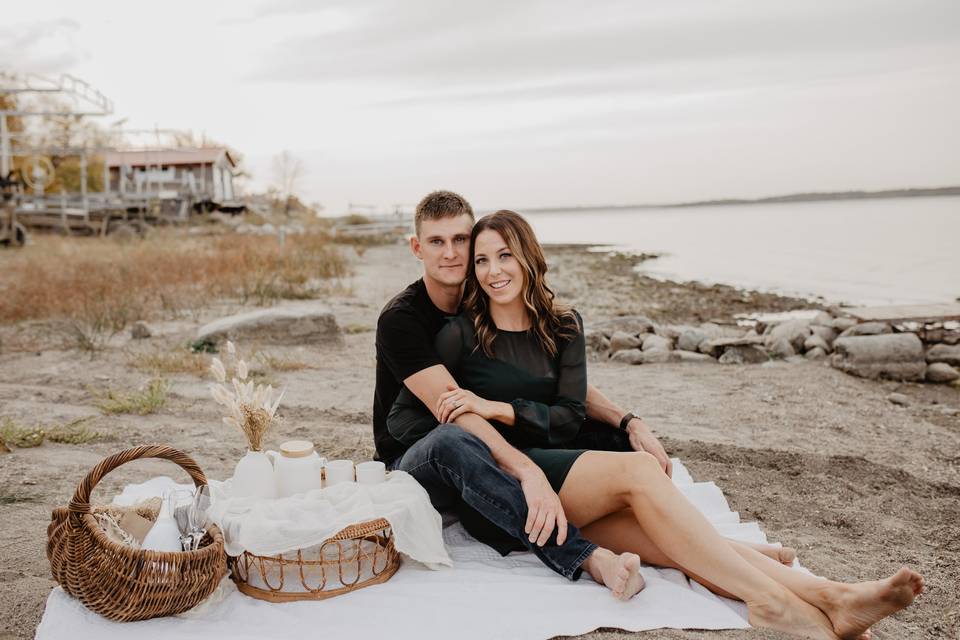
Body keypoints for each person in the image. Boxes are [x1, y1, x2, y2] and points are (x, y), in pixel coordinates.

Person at [387, 209, 924, 640]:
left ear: (529, 258)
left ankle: (833, 599)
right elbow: (433, 418)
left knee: (669, 543)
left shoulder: (564, 325)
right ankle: (772, 601)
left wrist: (509, 408)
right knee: (642, 475)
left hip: (559, 468)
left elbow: (568, 414)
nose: (490, 269)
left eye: (502, 255)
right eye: (481, 259)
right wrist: (490, 432)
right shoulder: (458, 334)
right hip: (503, 486)